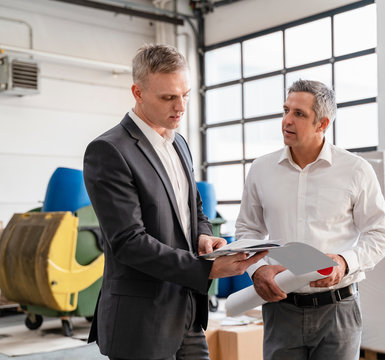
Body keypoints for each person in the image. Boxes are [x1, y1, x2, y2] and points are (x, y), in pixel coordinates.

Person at [83, 44, 266, 360]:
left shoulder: (178, 142)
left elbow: (193, 208)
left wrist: (204, 235)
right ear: (137, 92)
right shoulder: (109, 151)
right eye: (168, 97)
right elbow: (129, 242)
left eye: (186, 94)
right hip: (142, 318)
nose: (181, 106)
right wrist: (204, 271)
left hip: (187, 312)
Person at [235, 79, 385, 360]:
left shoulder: (356, 170)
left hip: (338, 309)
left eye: (299, 114)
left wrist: (345, 262)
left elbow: (381, 232)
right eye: (285, 110)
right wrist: (257, 270)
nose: (287, 120)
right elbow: (247, 229)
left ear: (322, 123)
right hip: (281, 307)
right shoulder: (261, 170)